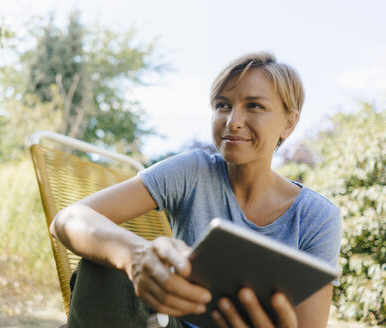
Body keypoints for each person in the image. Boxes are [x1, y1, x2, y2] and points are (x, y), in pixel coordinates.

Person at [50, 51, 342, 328]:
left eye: (254, 106)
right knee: (104, 264)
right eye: (222, 105)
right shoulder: (193, 172)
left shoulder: (317, 217)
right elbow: (68, 219)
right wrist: (135, 256)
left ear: (289, 123)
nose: (233, 121)